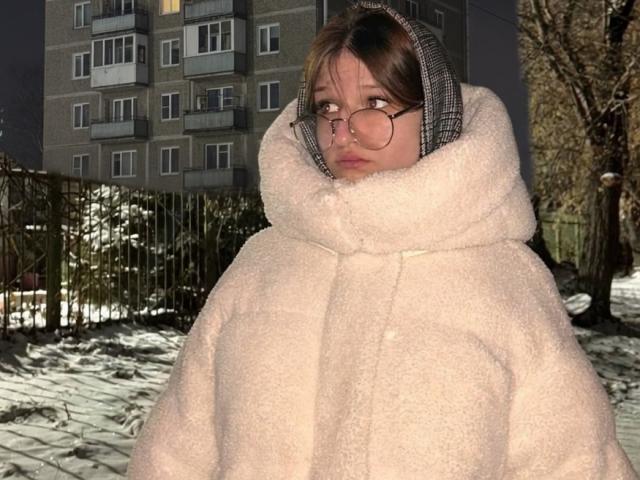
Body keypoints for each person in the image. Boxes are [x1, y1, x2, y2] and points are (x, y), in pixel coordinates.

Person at [128, 2, 639, 478]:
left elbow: (575, 464)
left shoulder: (505, 282)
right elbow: (175, 454)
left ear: (435, 113)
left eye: (376, 102)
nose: (344, 131)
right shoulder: (261, 266)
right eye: (328, 107)